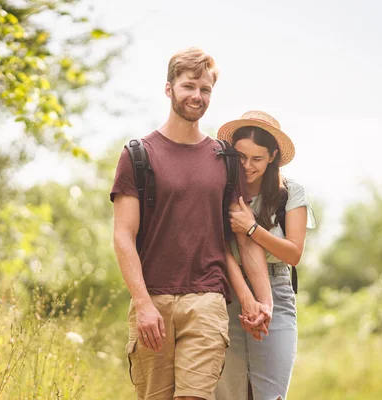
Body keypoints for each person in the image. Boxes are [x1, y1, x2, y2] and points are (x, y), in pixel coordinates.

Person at [110, 48, 272, 400]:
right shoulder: (138, 155)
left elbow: (243, 238)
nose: (197, 96)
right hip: (154, 298)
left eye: (206, 89)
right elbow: (123, 235)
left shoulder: (225, 159)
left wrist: (262, 300)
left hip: (207, 299)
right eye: (189, 86)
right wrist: (142, 303)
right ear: (169, 88)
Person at [215, 111, 317, 400]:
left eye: (257, 159)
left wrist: (251, 228)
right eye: (241, 157)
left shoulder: (290, 194)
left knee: (270, 394)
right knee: (228, 394)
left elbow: (294, 253)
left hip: (277, 291)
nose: (247, 166)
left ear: (273, 156)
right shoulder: (221, 190)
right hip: (228, 294)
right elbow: (220, 250)